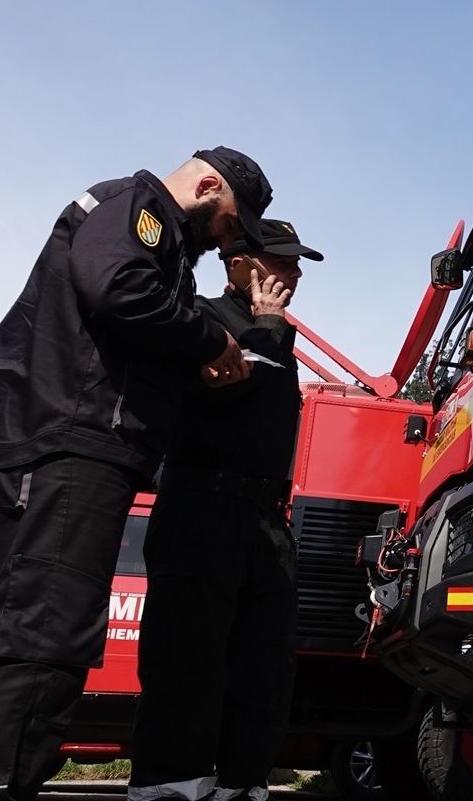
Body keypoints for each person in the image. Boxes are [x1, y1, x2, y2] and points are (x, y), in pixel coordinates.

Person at [0, 148, 274, 801]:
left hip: (61, 448)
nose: (225, 242)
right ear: (205, 186)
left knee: (15, 634)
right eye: (228, 224)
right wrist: (208, 339)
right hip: (67, 447)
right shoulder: (140, 212)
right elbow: (115, 286)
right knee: (39, 637)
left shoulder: (152, 234)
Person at [128, 218, 322, 801]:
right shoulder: (202, 317)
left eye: (297, 263)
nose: (294, 272)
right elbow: (232, 386)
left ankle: (243, 787)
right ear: (237, 262)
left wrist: (271, 330)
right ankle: (169, 788)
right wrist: (265, 329)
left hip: (263, 520)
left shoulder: (275, 335)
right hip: (202, 508)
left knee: (264, 668)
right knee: (188, 663)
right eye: (280, 260)